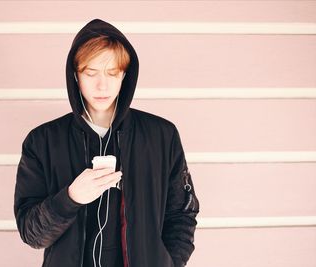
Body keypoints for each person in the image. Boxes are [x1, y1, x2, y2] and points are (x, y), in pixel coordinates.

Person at [14, 18, 199, 267]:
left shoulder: (161, 136)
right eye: (91, 73)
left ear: (125, 75)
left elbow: (182, 214)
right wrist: (70, 198)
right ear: (75, 75)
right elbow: (31, 233)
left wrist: (167, 263)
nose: (103, 85)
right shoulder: (43, 141)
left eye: (112, 73)